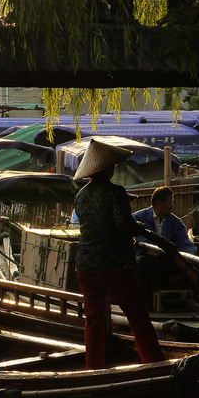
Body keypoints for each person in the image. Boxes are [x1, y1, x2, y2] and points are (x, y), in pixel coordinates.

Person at [72, 138, 165, 371]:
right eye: (113, 166)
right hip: (115, 265)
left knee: (93, 321)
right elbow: (123, 225)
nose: (115, 168)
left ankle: (93, 370)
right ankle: (155, 367)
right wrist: (142, 229)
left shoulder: (81, 196)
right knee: (138, 318)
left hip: (86, 266)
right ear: (108, 167)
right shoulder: (116, 193)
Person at [132, 185, 197, 304]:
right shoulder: (138, 218)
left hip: (165, 257)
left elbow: (183, 241)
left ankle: (193, 299)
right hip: (145, 256)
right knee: (141, 264)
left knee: (187, 266)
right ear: (159, 203)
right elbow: (137, 238)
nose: (172, 205)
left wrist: (190, 252)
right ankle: (145, 303)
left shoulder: (174, 221)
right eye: (170, 202)